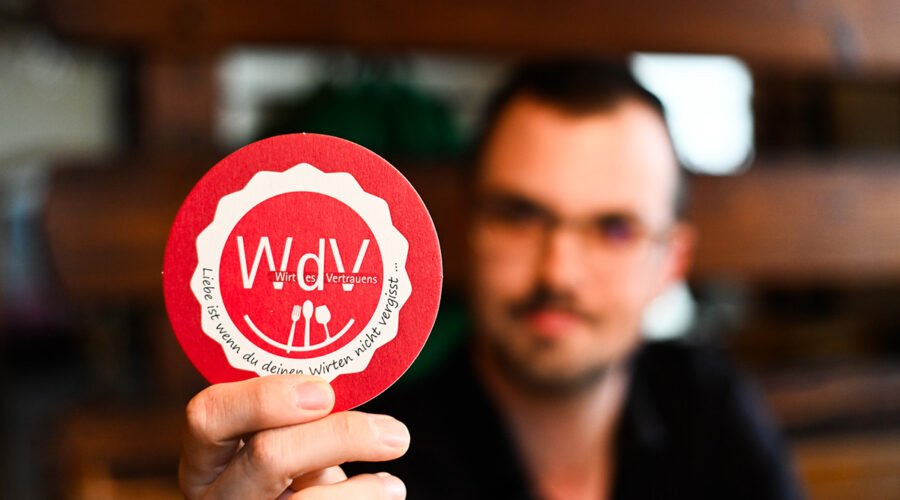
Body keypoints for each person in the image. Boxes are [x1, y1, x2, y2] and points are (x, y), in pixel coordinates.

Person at [178, 59, 803, 500]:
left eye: (614, 229)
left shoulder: (711, 408)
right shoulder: (358, 457)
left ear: (672, 263)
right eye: (520, 215)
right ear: (462, 231)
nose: (558, 272)